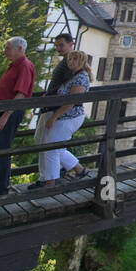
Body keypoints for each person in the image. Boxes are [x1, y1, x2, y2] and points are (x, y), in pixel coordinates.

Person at [0, 37, 35, 198]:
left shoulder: (24, 66)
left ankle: (0, 190)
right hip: (1, 111)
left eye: (7, 48)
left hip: (8, 112)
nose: (5, 52)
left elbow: (21, 94)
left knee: (1, 151)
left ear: (19, 49)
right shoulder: (15, 65)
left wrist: (5, 116)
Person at [33, 50, 91, 186]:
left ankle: (50, 183)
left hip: (69, 117)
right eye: (70, 59)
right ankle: (80, 170)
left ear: (81, 62)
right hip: (65, 116)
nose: (71, 62)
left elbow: (70, 102)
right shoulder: (73, 76)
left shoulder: (81, 77)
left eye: (74, 59)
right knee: (56, 148)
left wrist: (54, 117)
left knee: (50, 148)